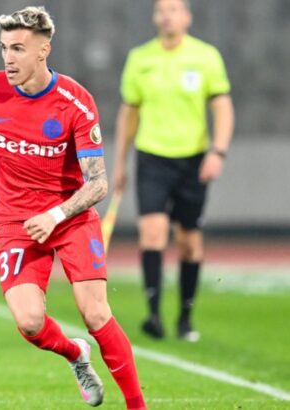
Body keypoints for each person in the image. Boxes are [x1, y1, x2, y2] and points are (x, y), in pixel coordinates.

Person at [0, 6, 146, 409]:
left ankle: (137, 406)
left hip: (69, 217)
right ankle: (75, 354)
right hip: (15, 221)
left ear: (43, 50)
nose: (8, 58)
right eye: (4, 48)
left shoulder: (75, 103)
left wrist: (55, 215)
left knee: (95, 313)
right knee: (30, 322)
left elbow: (98, 183)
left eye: (18, 49)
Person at [112, 0, 235, 342]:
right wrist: (120, 163)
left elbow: (223, 107)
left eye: (173, 9)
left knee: (189, 242)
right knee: (152, 232)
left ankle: (185, 317)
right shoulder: (140, 59)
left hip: (192, 159)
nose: (166, 16)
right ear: (155, 17)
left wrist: (218, 152)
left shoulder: (205, 56)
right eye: (161, 10)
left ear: (187, 17)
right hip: (152, 157)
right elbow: (129, 114)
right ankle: (153, 315)